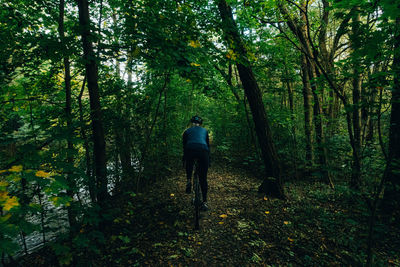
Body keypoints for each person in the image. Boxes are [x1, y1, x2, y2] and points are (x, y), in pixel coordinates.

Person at [182, 115, 210, 211]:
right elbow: (208, 146)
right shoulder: (205, 131)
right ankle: (205, 202)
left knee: (189, 160)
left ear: (191, 123)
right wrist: (208, 160)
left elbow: (184, 147)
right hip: (203, 151)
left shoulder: (186, 131)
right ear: (200, 124)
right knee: (203, 178)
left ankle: (189, 180)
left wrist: (184, 159)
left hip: (190, 149)